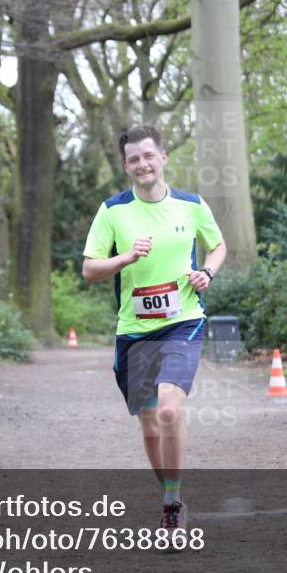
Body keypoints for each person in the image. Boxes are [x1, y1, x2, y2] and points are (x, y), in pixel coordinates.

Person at [82, 124, 227, 536]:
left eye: (148, 155)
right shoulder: (112, 211)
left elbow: (218, 246)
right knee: (148, 424)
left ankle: (171, 503)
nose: (142, 164)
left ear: (163, 157)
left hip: (182, 322)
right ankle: (171, 494)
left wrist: (207, 274)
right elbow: (90, 269)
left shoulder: (192, 205)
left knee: (168, 410)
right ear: (126, 166)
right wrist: (124, 258)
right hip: (134, 330)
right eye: (133, 159)